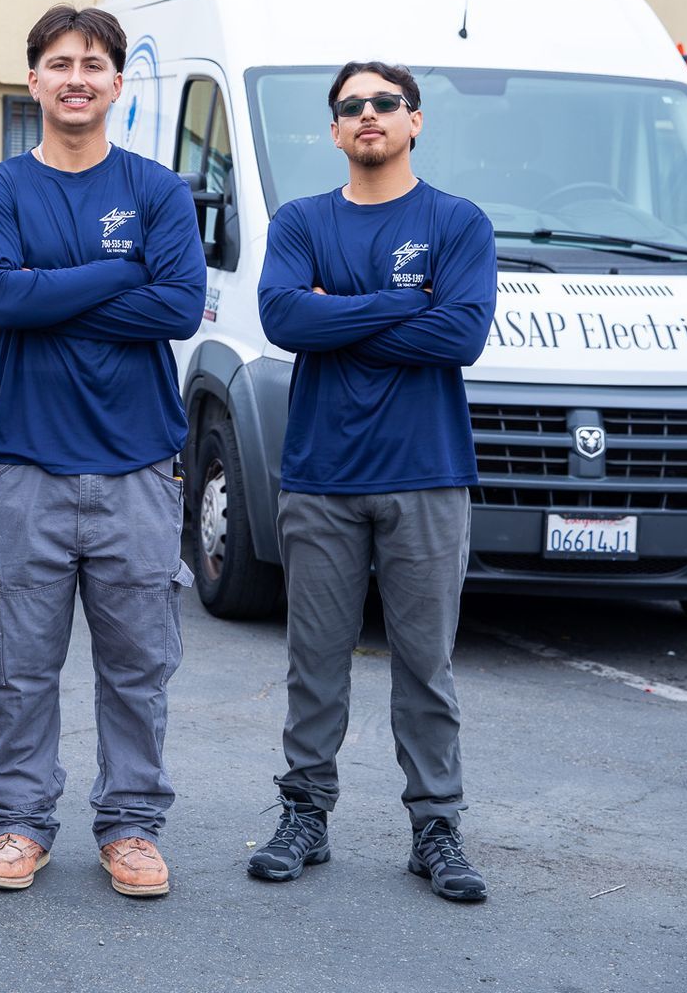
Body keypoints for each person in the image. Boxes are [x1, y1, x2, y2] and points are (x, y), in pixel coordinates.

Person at [0, 5, 205, 897]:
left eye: (93, 65)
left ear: (116, 83)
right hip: (27, 464)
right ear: (33, 80)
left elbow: (179, 307)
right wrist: (121, 274)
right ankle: (19, 824)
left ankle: (131, 826)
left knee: (138, 670)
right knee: (18, 668)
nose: (77, 78)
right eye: (60, 63)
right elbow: (2, 299)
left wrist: (51, 290)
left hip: (138, 467)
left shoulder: (157, 191)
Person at [250, 60, 497, 903]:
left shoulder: (456, 221)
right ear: (333, 130)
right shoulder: (302, 220)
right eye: (351, 105)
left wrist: (338, 315)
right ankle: (304, 817)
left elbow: (461, 334)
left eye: (385, 102)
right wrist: (405, 303)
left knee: (426, 667)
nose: (368, 114)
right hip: (321, 476)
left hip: (426, 475)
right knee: (313, 662)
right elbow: (284, 316)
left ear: (414, 120)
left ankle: (436, 829)